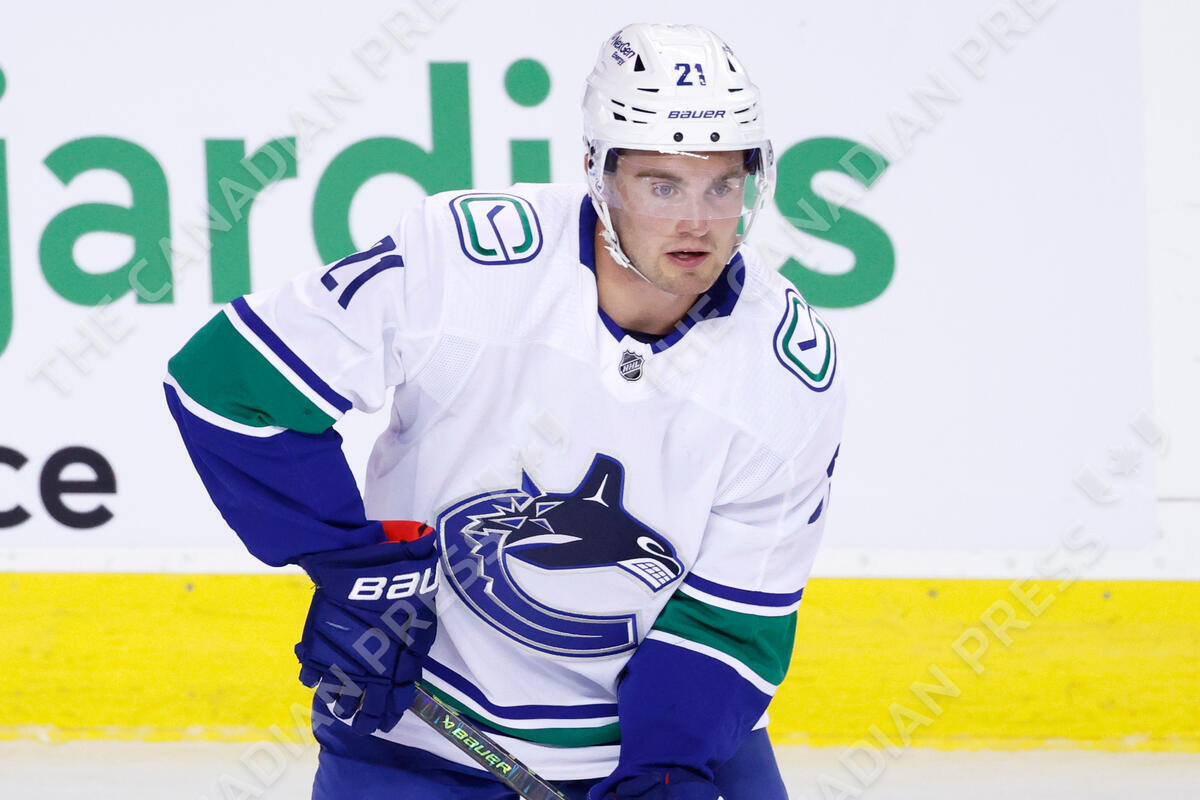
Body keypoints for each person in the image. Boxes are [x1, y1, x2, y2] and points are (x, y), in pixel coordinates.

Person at [165, 22, 844, 800]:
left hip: (673, 738)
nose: (697, 221)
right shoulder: (465, 261)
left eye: (721, 185)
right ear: (598, 173)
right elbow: (227, 383)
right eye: (662, 185)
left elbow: (728, 624)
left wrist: (664, 771)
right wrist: (354, 573)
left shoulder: (787, 372)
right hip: (414, 740)